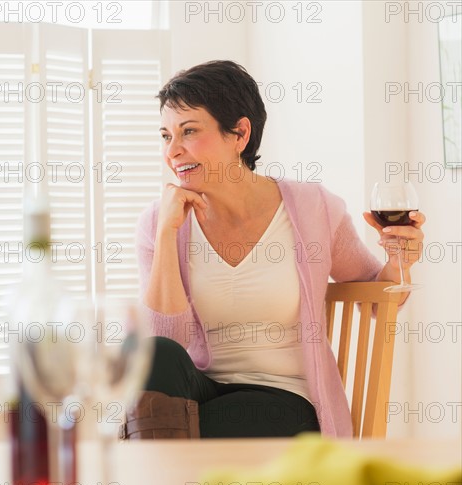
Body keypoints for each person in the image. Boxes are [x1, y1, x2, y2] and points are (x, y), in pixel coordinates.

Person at [121, 60, 425, 440]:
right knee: (156, 355)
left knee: (173, 431)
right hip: (199, 393)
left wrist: (402, 260)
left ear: (240, 133)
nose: (173, 152)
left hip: (285, 399)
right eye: (166, 136)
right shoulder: (158, 221)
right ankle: (166, 469)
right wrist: (167, 234)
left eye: (190, 131)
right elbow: (166, 340)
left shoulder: (313, 208)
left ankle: (149, 473)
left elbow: (376, 296)